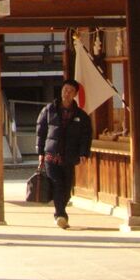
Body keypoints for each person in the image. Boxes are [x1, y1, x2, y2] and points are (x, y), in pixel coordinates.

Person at [35, 78, 92, 229]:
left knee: (67, 188)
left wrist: (84, 153)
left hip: (69, 156)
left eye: (70, 91)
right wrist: (40, 152)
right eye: (65, 90)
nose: (66, 93)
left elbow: (86, 136)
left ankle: (61, 211)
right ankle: (60, 215)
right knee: (57, 184)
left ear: (75, 95)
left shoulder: (81, 115)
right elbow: (41, 132)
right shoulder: (49, 110)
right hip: (51, 155)